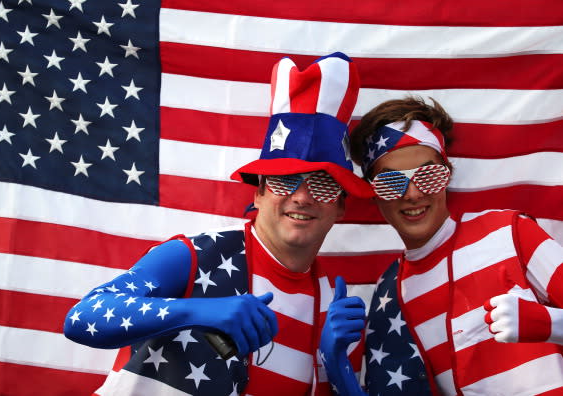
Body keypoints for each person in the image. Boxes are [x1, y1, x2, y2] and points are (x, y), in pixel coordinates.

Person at [64, 52, 373, 396]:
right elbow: (82, 318)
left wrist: (339, 367)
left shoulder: (334, 307)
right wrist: (198, 311)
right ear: (257, 193)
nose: (301, 198)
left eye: (323, 184)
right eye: (284, 181)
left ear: (341, 207)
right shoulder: (196, 255)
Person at [319, 96, 563, 395]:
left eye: (428, 175)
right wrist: (336, 365)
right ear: (374, 193)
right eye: (391, 182)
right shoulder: (391, 290)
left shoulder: (509, 232)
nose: (412, 194)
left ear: (447, 174)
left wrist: (553, 323)